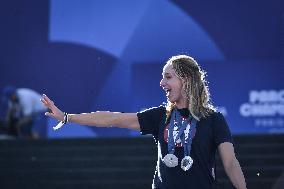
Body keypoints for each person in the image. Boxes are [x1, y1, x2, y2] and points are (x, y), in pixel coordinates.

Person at [41, 55, 247, 189]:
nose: (162, 83)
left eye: (168, 77)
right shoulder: (159, 116)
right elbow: (112, 119)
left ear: (187, 80)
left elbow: (230, 162)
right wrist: (67, 117)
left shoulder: (213, 119)